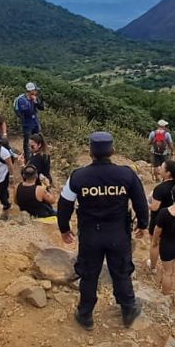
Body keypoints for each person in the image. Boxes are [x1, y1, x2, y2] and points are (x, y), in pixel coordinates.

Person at [58, 132, 149, 330]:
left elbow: (64, 203)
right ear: (113, 151)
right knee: (121, 272)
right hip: (118, 234)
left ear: (90, 152)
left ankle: (85, 315)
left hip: (90, 234)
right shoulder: (127, 174)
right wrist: (143, 224)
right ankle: (128, 310)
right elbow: (141, 201)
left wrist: (64, 228)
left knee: (89, 274)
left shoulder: (78, 176)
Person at [147, 160, 175, 272]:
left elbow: (154, 207)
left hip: (159, 220)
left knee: (155, 243)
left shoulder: (160, 188)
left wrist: (145, 203)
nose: (159, 169)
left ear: (167, 173)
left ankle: (152, 266)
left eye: (162, 168)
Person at [15, 82, 45, 159]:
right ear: (30, 90)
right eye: (35, 90)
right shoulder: (22, 100)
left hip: (35, 122)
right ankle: (28, 158)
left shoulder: (35, 97)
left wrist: (36, 102)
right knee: (28, 140)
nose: (36, 92)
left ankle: (38, 155)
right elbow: (26, 112)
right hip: (27, 123)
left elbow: (42, 107)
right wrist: (32, 103)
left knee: (38, 138)